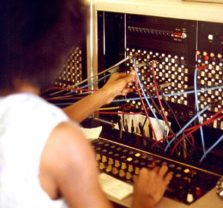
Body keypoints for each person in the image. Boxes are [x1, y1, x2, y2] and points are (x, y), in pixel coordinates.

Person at [0, 0, 172, 208]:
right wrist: (144, 199)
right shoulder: (65, 143)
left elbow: (35, 132)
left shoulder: (29, 123)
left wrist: (104, 94)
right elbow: (51, 137)